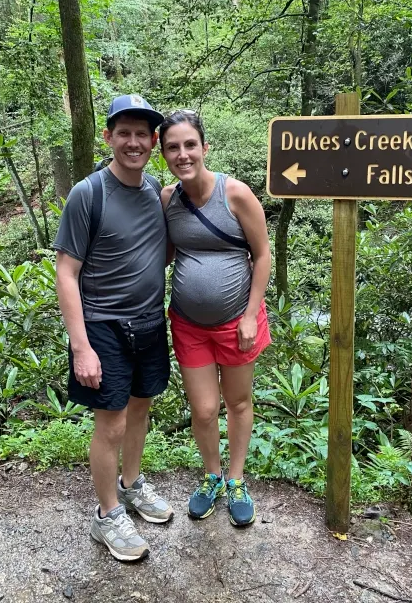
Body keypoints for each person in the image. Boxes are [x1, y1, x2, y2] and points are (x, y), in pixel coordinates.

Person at [53, 94, 175, 562]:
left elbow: (159, 251)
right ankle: (106, 515)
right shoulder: (89, 194)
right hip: (103, 325)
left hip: (150, 321)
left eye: (142, 134)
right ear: (108, 137)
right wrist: (81, 347)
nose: (133, 142)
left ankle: (131, 484)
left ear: (153, 142)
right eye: (124, 133)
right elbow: (67, 273)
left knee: (141, 408)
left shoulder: (154, 191)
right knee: (111, 422)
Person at [158, 109, 271, 527]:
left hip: (237, 320)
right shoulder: (168, 199)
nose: (183, 154)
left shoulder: (235, 194)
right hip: (189, 324)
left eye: (190, 144)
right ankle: (212, 475)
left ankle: (236, 479)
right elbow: (166, 253)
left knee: (238, 402)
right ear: (163, 153)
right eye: (173, 147)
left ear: (205, 147)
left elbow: (263, 255)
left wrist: (250, 315)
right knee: (204, 410)